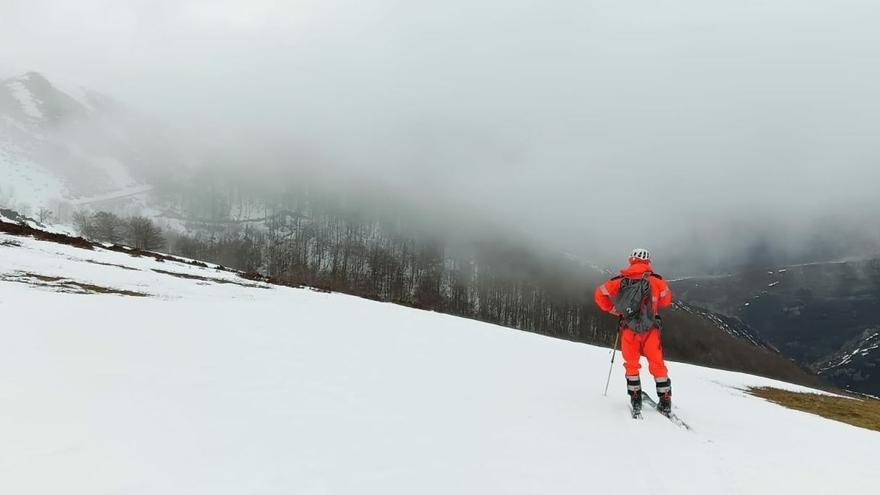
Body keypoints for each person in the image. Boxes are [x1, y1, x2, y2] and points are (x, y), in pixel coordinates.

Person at [594, 248, 673, 414]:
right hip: (651, 328)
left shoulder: (621, 280)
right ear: (648, 262)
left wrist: (614, 310)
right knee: (657, 364)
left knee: (631, 363)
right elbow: (666, 301)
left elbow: (599, 294)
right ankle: (665, 400)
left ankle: (635, 397)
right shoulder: (658, 281)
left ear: (631, 259)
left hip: (628, 327)